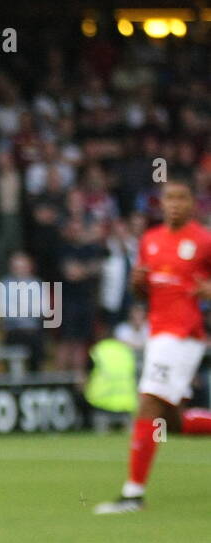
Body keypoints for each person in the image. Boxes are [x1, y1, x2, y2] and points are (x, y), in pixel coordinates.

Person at [95, 179, 211, 513]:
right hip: (157, 333)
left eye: (182, 198)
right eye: (169, 198)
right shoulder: (150, 240)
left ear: (192, 204)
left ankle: (133, 495)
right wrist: (137, 286)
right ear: (161, 204)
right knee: (170, 422)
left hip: (183, 334)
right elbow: (145, 292)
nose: (175, 204)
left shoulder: (203, 241)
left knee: (147, 405)